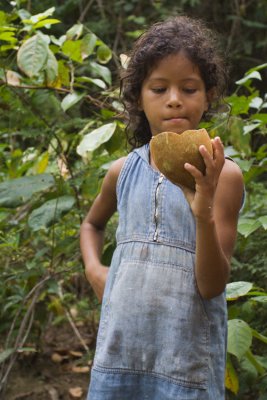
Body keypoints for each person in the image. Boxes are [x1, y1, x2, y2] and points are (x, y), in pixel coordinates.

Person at [80, 15, 244, 400]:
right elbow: (92, 224)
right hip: (118, 359)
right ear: (139, 97)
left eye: (189, 88)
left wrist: (201, 211)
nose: (174, 99)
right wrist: (93, 268)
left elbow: (212, 285)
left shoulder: (224, 176)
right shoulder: (122, 171)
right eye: (159, 88)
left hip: (185, 366)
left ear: (208, 97)